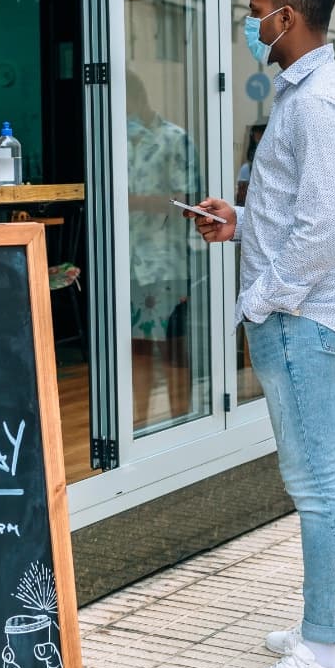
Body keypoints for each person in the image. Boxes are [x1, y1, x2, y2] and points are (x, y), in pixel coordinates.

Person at [190, 0, 335, 668]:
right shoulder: (308, 92)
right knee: (332, 472)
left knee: (317, 483)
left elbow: (322, 229)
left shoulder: (316, 101)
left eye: (255, 7)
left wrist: (261, 300)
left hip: (301, 316)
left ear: (286, 18)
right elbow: (300, 210)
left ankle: (322, 654)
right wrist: (241, 223)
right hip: (305, 309)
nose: (249, 18)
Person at [125, 72, 200, 430]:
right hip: (126, 262)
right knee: (136, 347)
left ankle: (181, 422)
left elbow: (187, 201)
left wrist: (135, 202)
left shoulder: (174, 139)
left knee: (173, 349)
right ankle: (139, 427)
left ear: (138, 99)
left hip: (166, 262)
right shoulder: (114, 142)